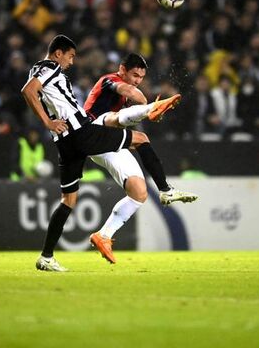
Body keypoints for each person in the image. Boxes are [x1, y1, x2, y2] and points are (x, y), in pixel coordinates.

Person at [21, 35, 178, 272]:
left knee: (68, 201)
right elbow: (28, 91)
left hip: (64, 141)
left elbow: (33, 92)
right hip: (79, 131)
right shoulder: (51, 67)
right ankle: (165, 187)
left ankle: (46, 256)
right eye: (70, 56)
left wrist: (51, 124)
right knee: (139, 138)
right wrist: (48, 123)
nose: (72, 62)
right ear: (57, 53)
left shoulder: (38, 69)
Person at [83, 53, 199, 264]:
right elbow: (128, 91)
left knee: (139, 192)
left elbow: (131, 98)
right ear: (122, 69)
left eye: (141, 78)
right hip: (89, 133)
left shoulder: (127, 95)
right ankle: (151, 110)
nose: (137, 80)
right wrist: (146, 106)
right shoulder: (108, 80)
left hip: (106, 143)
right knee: (116, 119)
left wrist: (142, 108)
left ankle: (104, 235)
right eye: (134, 75)